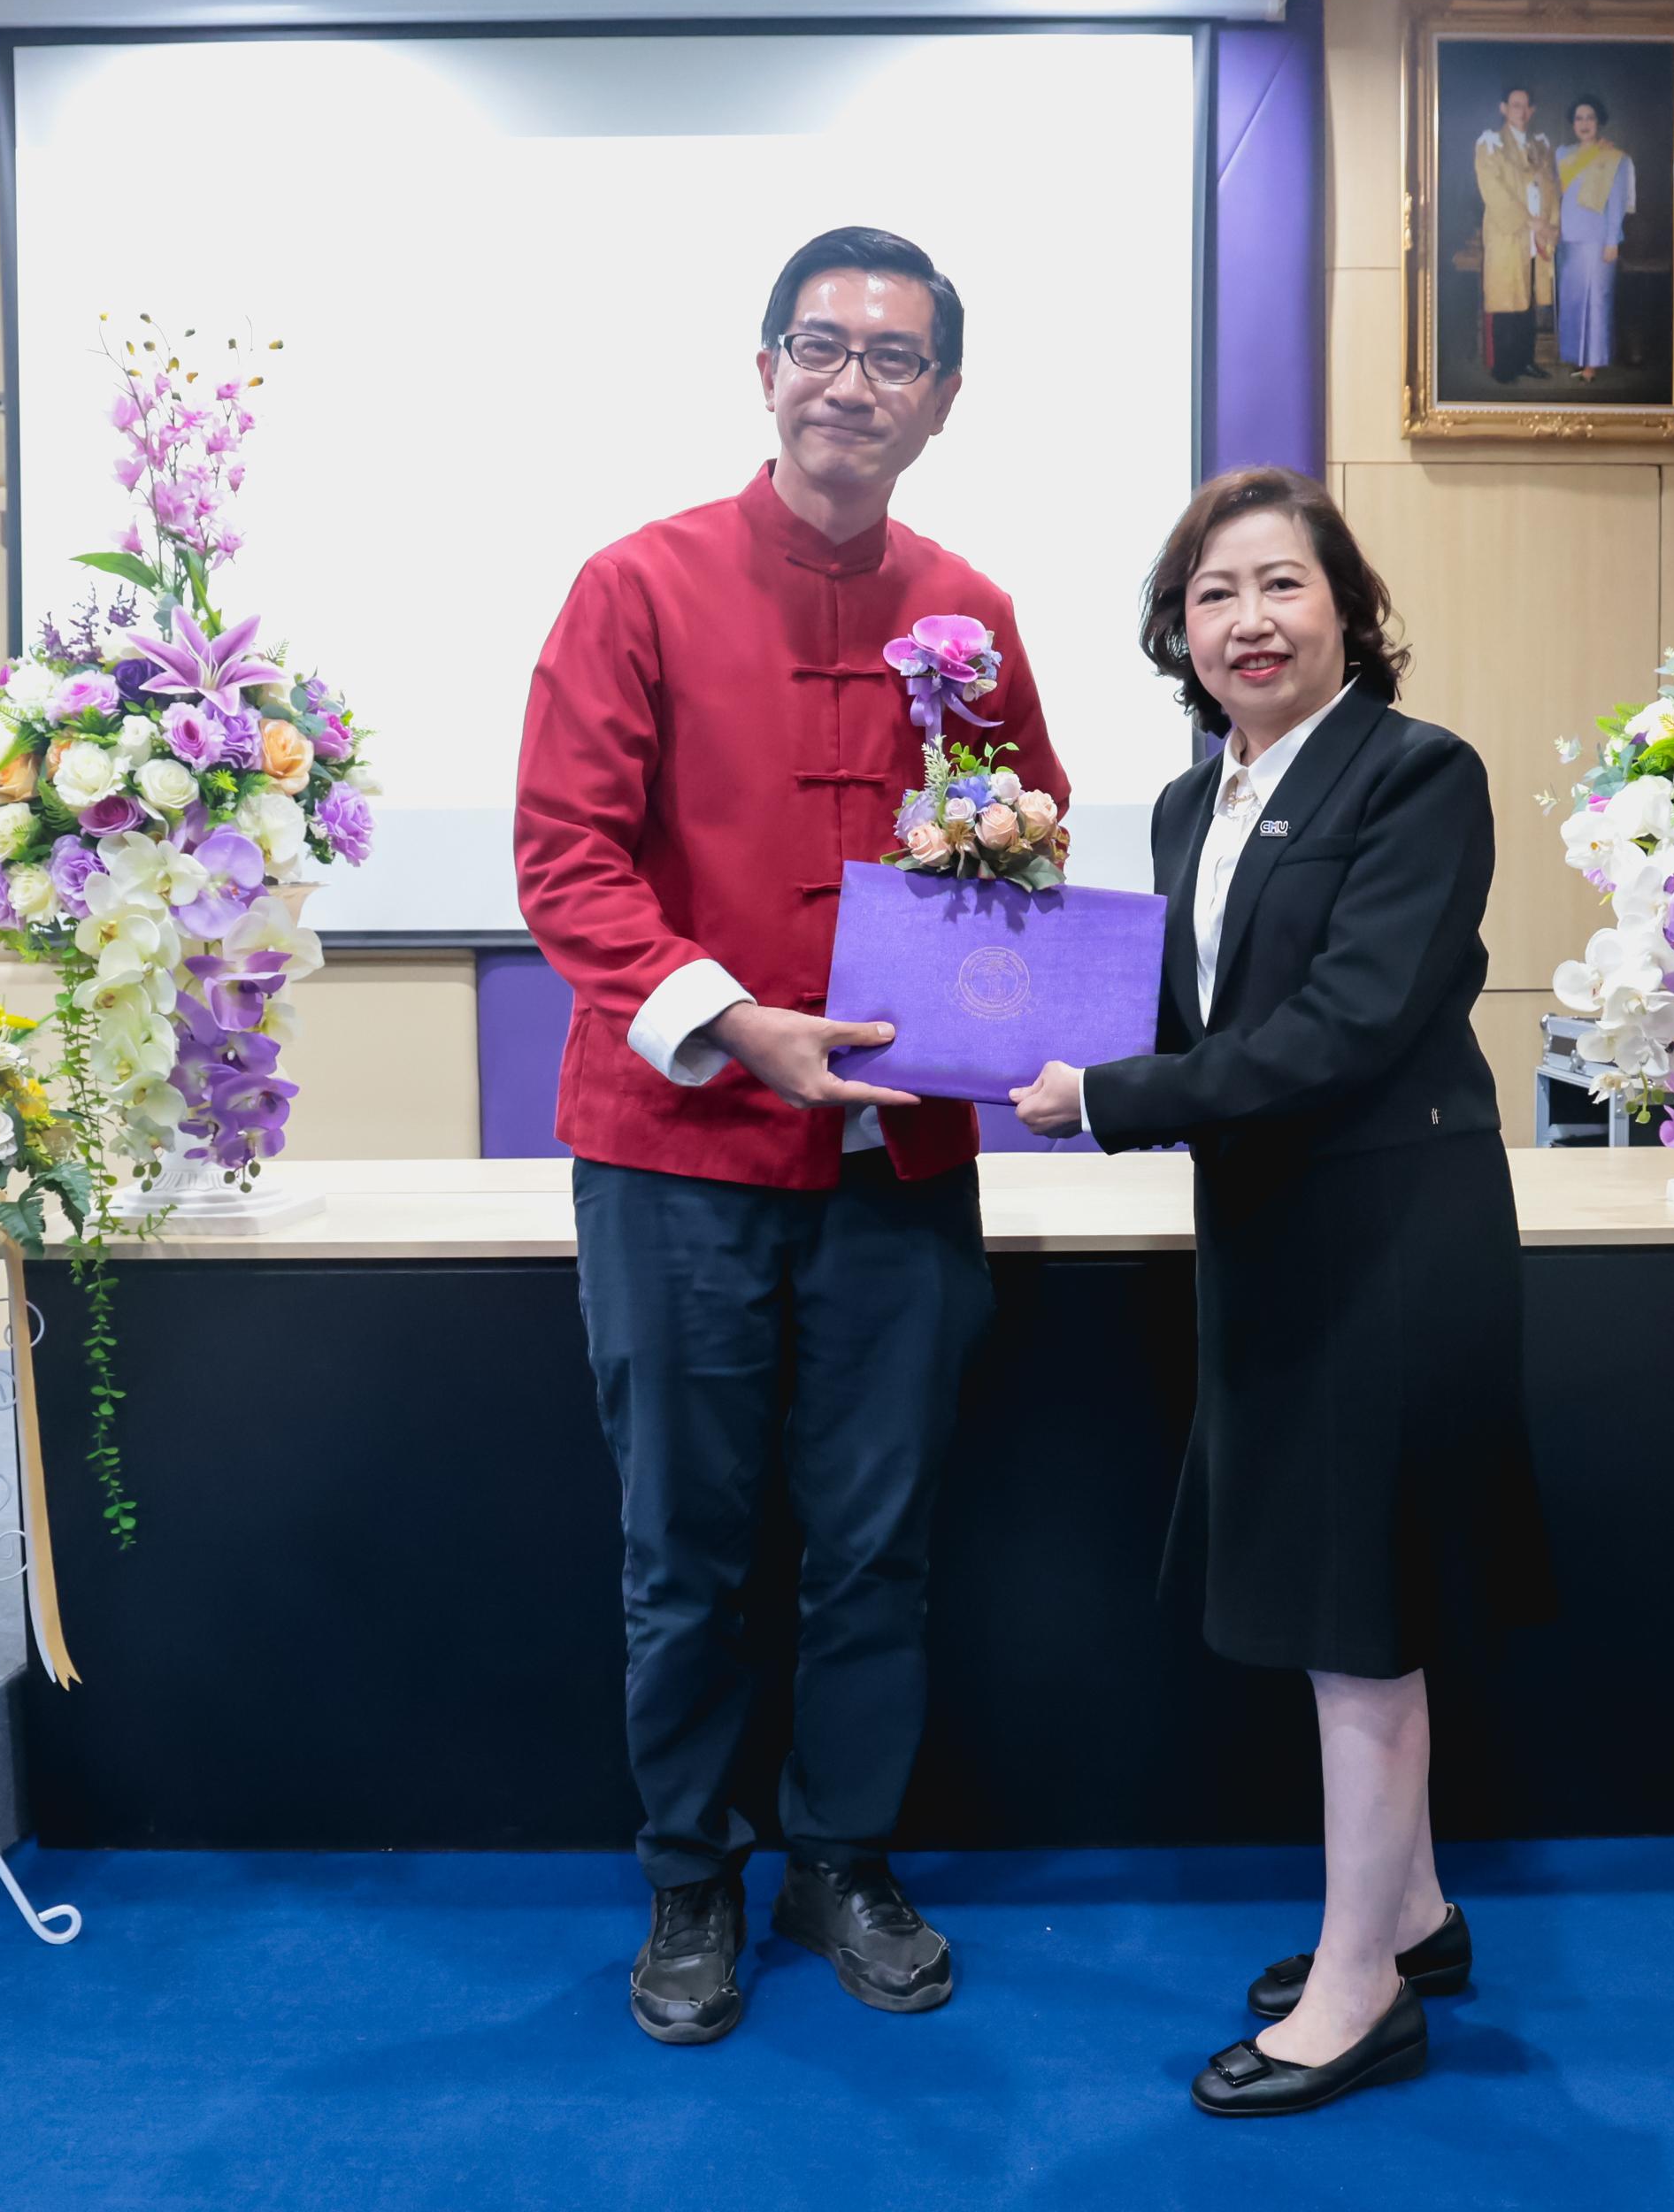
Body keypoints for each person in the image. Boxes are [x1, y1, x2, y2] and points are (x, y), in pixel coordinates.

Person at [516, 226, 1071, 2047]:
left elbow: (1032, 828)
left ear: (943, 399)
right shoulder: (635, 583)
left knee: (877, 1543)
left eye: (893, 357)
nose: (853, 382)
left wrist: (1015, 923)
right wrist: (731, 1019)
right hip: (676, 1144)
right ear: (764, 370)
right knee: (682, 1544)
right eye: (821, 346)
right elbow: (565, 859)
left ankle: (841, 1857)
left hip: (896, 1164)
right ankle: (691, 1871)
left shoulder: (970, 607)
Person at [1011, 467, 1554, 2117]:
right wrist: (1001, 995)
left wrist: (1109, 1098)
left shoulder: (1416, 774)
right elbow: (1194, 1020)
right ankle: (1413, 1914)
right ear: (1177, 633)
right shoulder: (1193, 807)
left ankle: (1357, 1991)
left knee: (1354, 1619)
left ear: (1347, 609)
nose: (1247, 620)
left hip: (1390, 1242)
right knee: (1344, 1595)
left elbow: (1348, 1026)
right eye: (1212, 594)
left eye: (1279, 585)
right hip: (1269, 1241)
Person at [1471, 86, 1554, 384]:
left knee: (1527, 300)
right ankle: (1504, 366)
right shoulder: (1490, 145)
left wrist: (1548, 224)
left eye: (1526, 106)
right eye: (1515, 105)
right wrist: (1529, 221)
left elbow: (1551, 186)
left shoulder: (1539, 146)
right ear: (1504, 108)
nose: (1521, 111)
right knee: (1506, 300)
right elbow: (1494, 191)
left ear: (1532, 111)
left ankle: (1525, 360)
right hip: (1509, 234)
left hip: (1535, 235)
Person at [1552, 96, 1636, 380]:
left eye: (1590, 118)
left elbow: (1617, 202)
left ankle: (1593, 363)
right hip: (1568, 238)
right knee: (1573, 301)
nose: (1584, 123)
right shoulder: (1563, 154)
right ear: (1572, 124)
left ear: (1599, 122)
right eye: (1579, 118)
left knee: (1597, 301)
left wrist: (1612, 240)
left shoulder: (1615, 159)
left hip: (1598, 240)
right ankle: (1576, 357)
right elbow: (1556, 192)